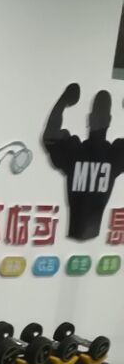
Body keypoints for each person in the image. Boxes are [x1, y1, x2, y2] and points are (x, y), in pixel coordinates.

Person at [41, 81, 124, 243]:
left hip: (81, 230)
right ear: (109, 120)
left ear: (89, 119)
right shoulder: (113, 155)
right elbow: (49, 138)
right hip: (88, 232)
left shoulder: (75, 151)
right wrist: (63, 101)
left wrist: (63, 101)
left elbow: (49, 137)